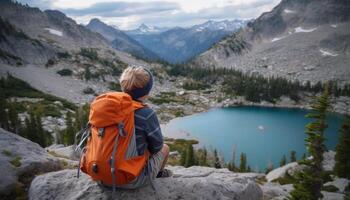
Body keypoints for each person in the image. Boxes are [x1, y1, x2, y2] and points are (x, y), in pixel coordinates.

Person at [118, 66, 172, 189]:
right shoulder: (146, 114)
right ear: (147, 92)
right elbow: (157, 147)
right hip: (131, 179)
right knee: (165, 148)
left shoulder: (109, 108)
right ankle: (157, 176)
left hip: (101, 174)